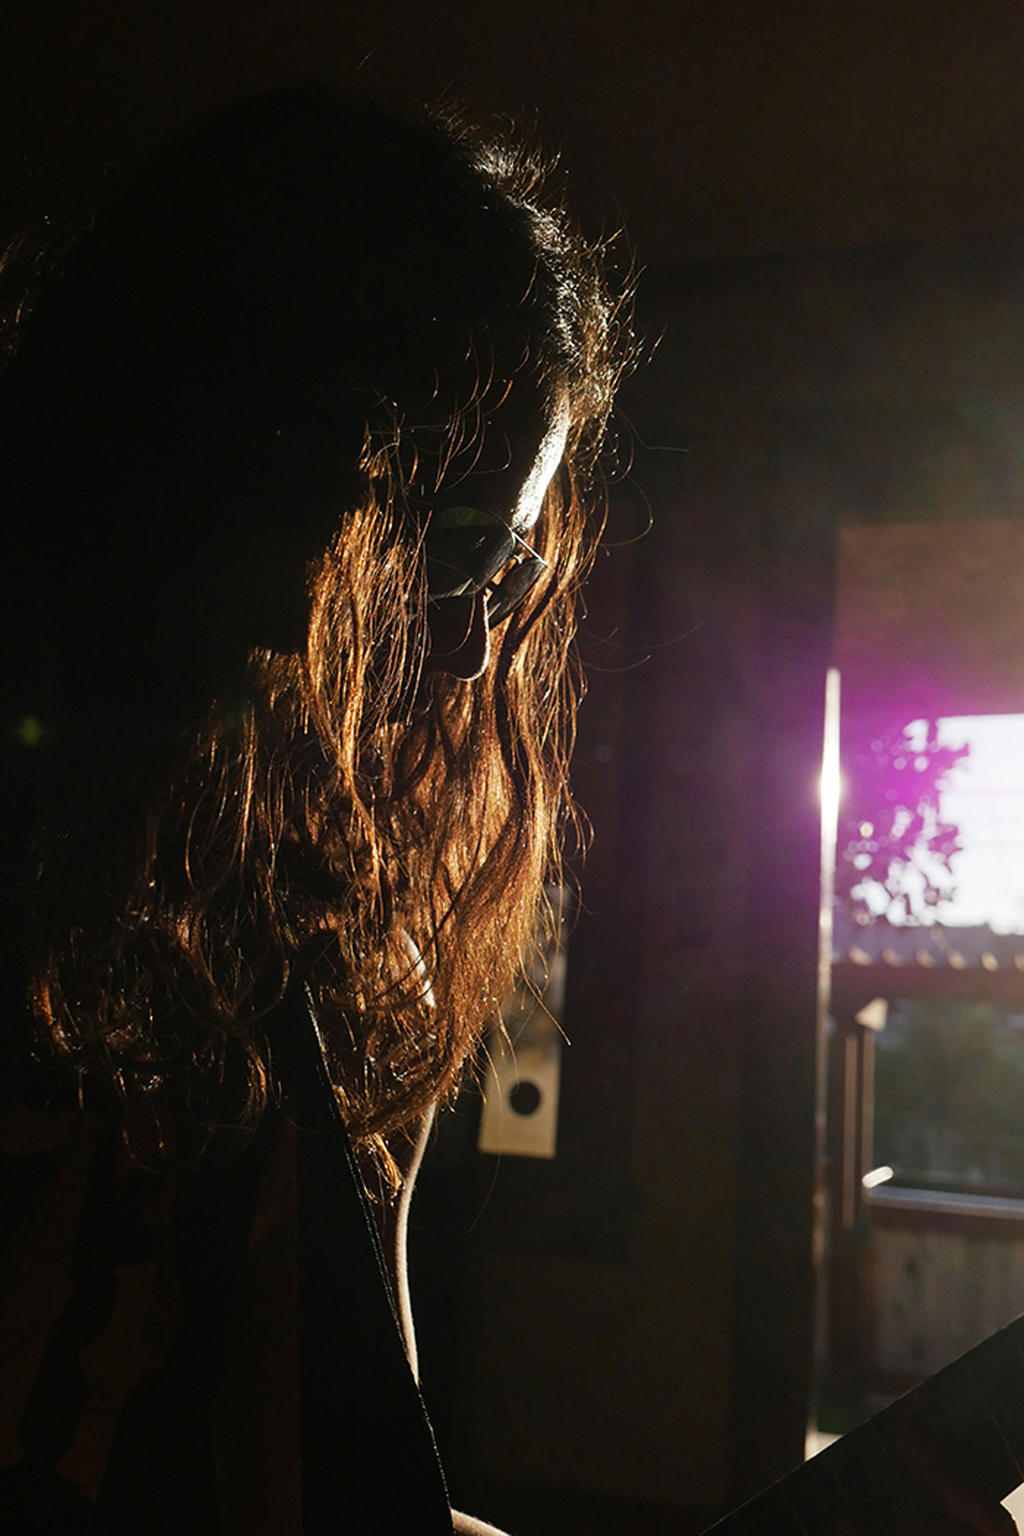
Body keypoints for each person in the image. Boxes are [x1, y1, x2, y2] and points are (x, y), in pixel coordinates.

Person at [0, 82, 630, 1534]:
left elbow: (352, 1484)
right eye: (444, 548)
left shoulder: (333, 944)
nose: (472, 649)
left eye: (506, 570)